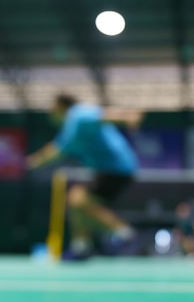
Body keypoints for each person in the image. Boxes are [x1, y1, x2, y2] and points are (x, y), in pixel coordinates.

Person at [27, 94, 144, 260]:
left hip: (117, 168)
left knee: (77, 199)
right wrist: (34, 162)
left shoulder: (79, 114)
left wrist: (127, 117)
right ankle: (81, 248)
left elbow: (104, 115)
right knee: (76, 204)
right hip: (106, 170)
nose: (50, 113)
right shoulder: (70, 127)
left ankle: (125, 235)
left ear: (61, 106)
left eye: (52, 108)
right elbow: (56, 150)